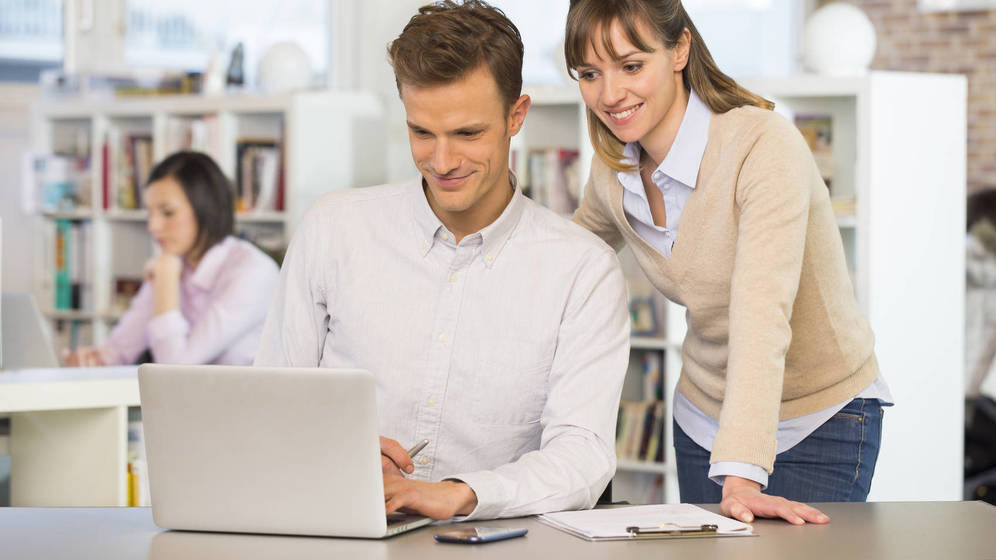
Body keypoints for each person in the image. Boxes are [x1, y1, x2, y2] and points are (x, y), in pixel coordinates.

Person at [254, 0, 629, 521]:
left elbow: (584, 456)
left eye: (468, 134)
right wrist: (331, 449)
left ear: (516, 116)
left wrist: (461, 492)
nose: (443, 161)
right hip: (340, 528)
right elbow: (271, 403)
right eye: (422, 133)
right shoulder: (332, 230)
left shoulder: (581, 271)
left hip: (496, 543)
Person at [564, 0, 893, 525]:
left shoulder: (761, 145)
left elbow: (762, 312)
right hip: (702, 415)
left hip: (817, 411)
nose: (609, 94)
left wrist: (741, 476)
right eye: (588, 73)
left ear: (679, 50)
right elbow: (564, 264)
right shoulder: (614, 173)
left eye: (630, 66)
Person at [65, 151, 279, 367]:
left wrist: (166, 282)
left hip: (243, 400)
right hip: (190, 399)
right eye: (150, 213)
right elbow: (119, 350)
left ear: (206, 210)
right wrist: (94, 359)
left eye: (167, 213)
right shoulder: (174, 264)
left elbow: (174, 367)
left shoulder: (253, 272)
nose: (153, 226)